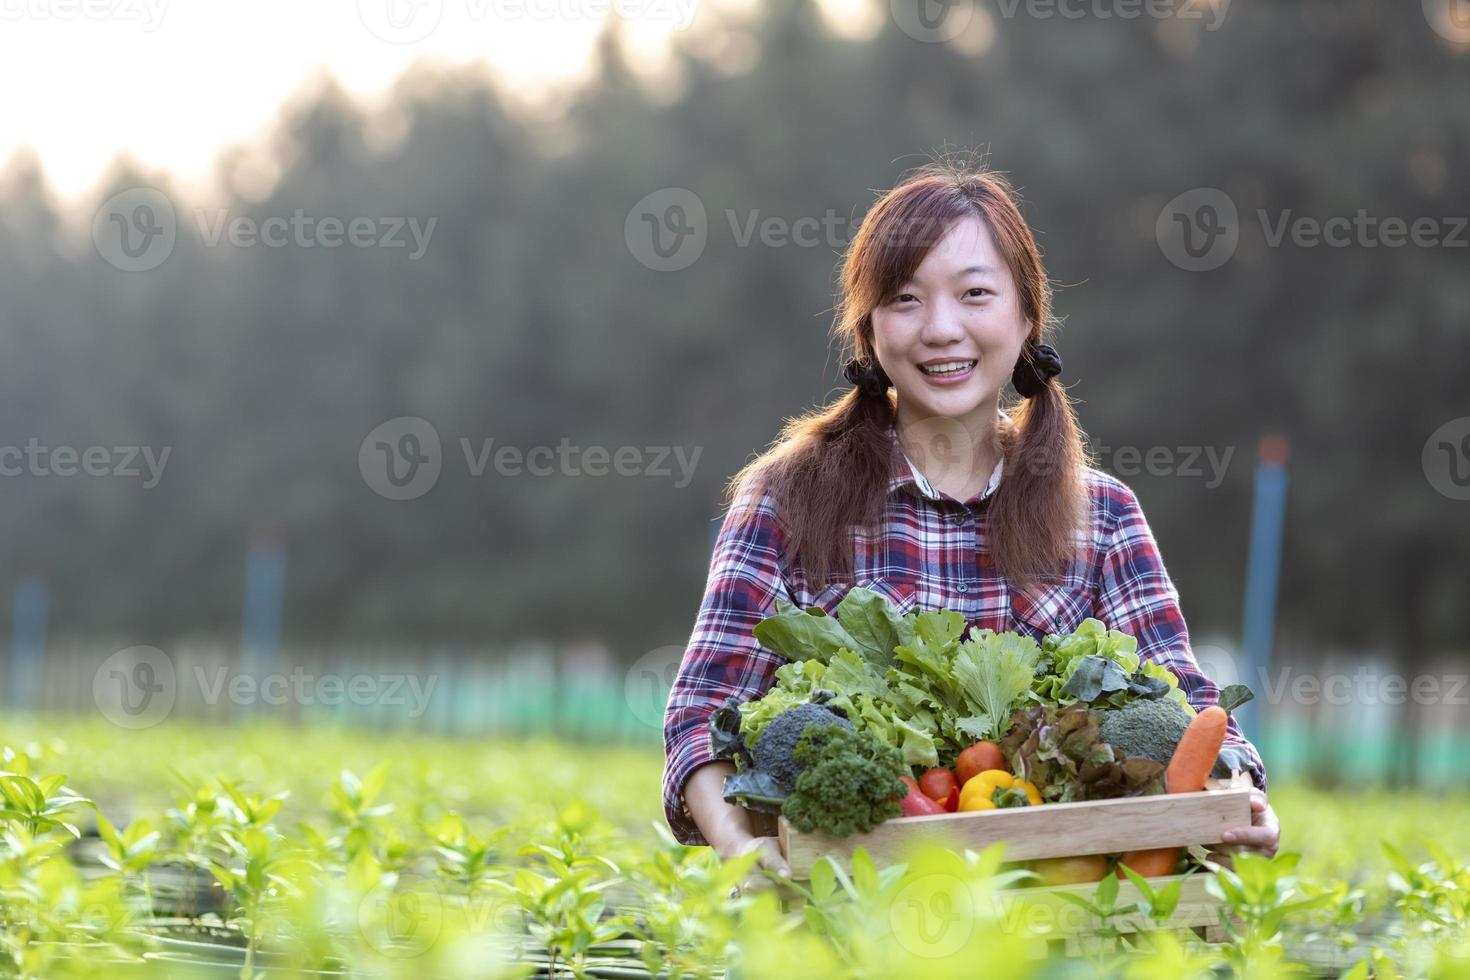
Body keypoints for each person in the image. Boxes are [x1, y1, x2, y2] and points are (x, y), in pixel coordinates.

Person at [661, 161, 1279, 882]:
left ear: (1024, 318)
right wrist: (742, 848)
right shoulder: (785, 499)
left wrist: (1239, 790)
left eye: (975, 294)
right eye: (905, 299)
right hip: (848, 910)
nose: (941, 329)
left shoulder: (1103, 514)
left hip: (1062, 915)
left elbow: (1187, 703)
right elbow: (700, 716)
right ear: (869, 329)